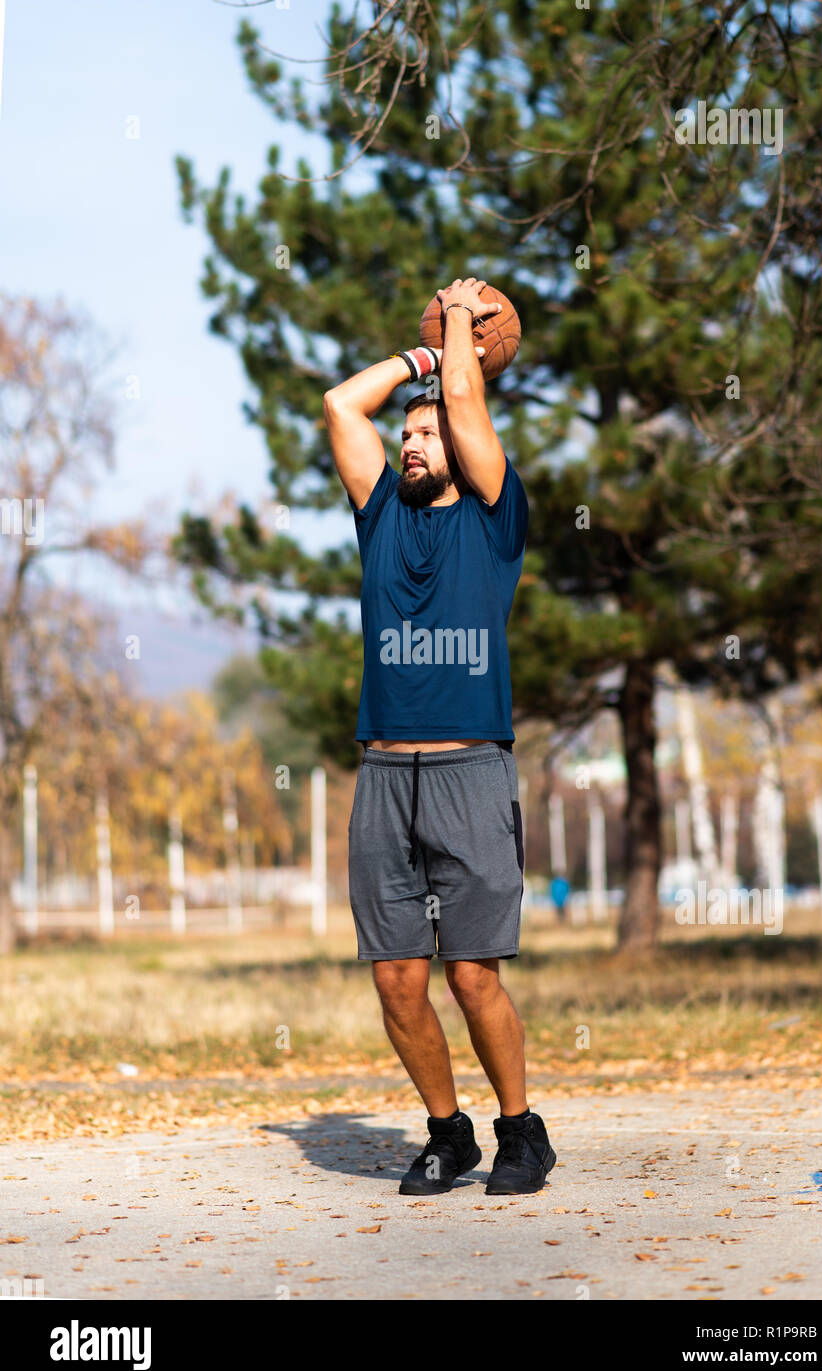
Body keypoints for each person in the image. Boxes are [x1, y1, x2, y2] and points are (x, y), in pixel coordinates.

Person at [323, 276, 556, 1196]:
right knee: (395, 982)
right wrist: (422, 357)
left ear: (461, 447)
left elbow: (465, 398)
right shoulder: (379, 516)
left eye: (427, 435)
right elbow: (343, 403)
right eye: (408, 435)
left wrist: (459, 317)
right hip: (384, 773)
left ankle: (519, 1129)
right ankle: (447, 1131)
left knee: (470, 976)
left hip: (469, 771)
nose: (414, 443)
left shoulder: (496, 519)